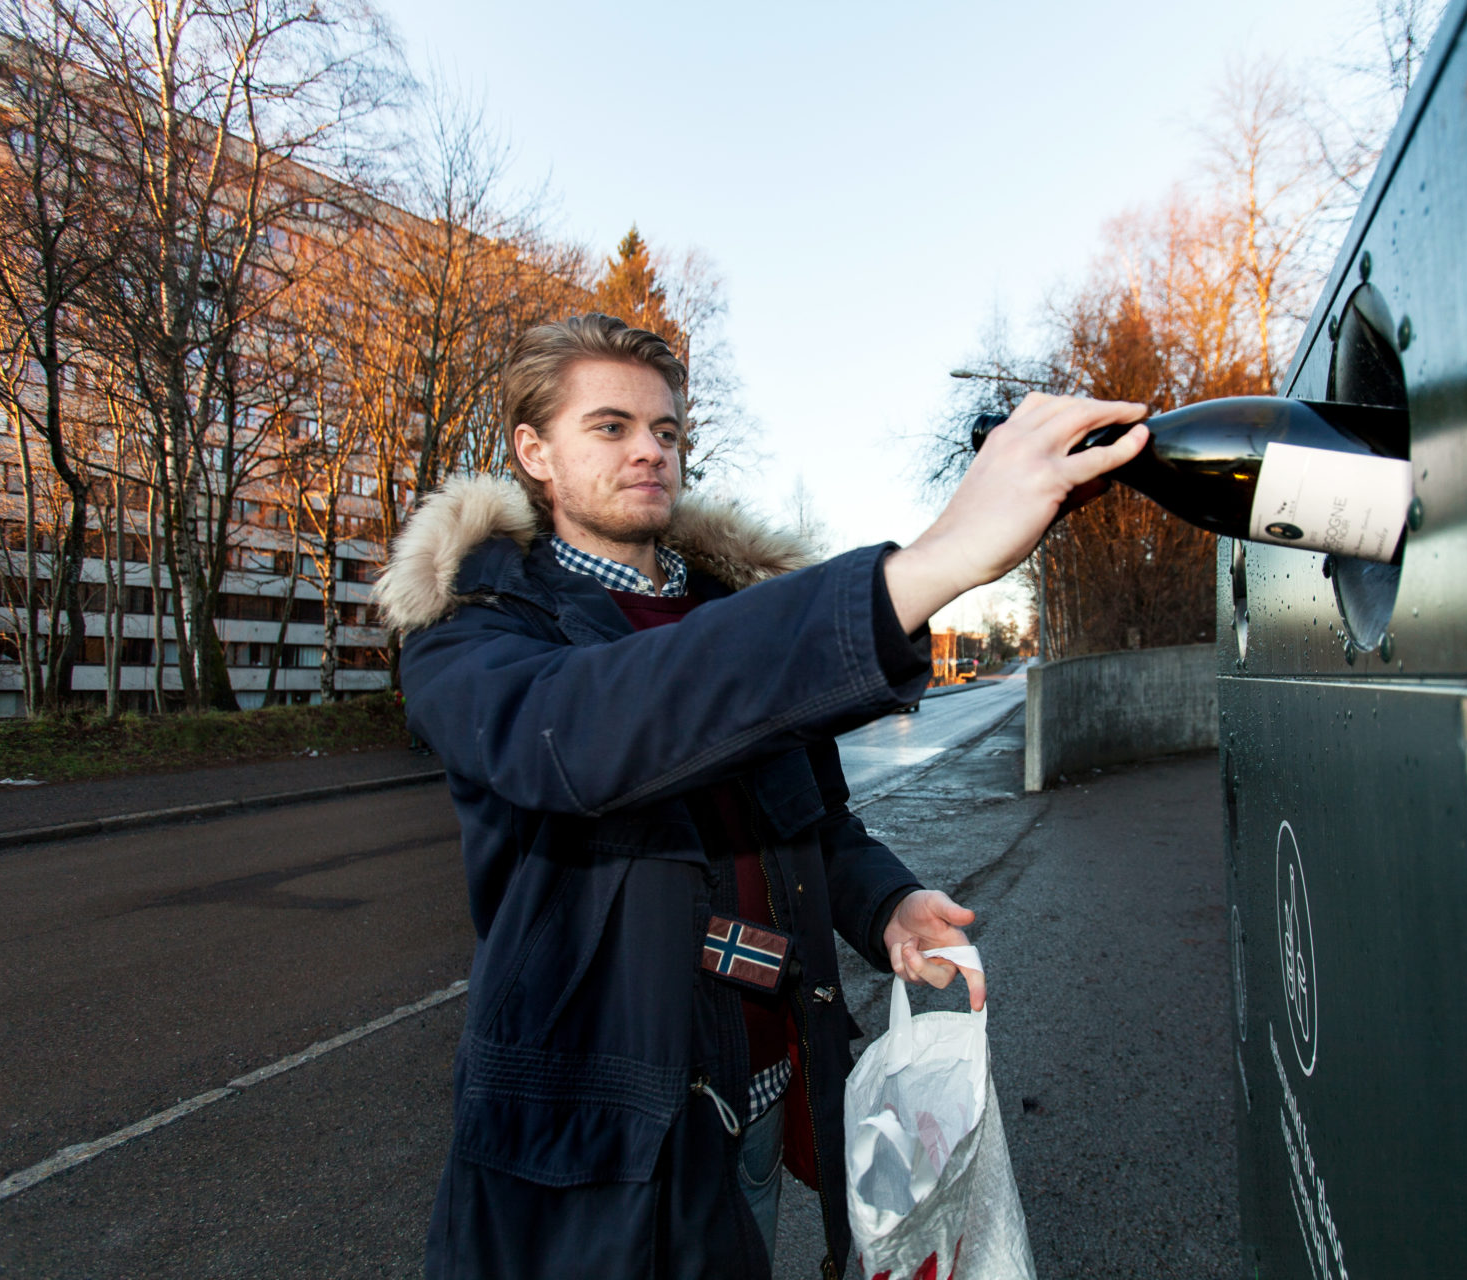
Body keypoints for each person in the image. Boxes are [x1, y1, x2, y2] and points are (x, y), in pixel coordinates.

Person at [374, 313, 1148, 1280]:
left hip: (762, 1088)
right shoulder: (473, 634)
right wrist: (927, 566)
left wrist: (886, 903)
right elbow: (587, 733)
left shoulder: (726, 611)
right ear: (535, 452)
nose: (649, 451)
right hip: (602, 1141)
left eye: (666, 431)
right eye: (610, 428)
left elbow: (811, 821)